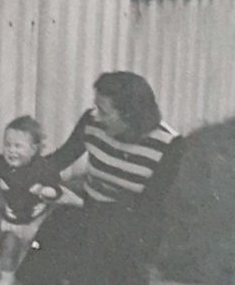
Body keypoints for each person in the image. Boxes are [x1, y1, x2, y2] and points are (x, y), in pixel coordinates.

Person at [17, 71, 185, 285]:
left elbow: (147, 209)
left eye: (104, 111)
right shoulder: (92, 122)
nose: (95, 114)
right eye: (95, 106)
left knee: (98, 262)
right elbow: (61, 158)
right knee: (46, 250)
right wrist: (18, 173)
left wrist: (82, 203)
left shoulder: (169, 145)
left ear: (130, 116)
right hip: (88, 213)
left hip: (131, 228)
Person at [0, 116, 63, 285]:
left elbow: (57, 189)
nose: (11, 150)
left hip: (36, 221)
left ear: (34, 149)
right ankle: (7, 277)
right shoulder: (1, 163)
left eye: (17, 146)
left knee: (40, 252)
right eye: (7, 144)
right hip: (12, 219)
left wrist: (45, 190)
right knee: (9, 245)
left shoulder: (43, 168)